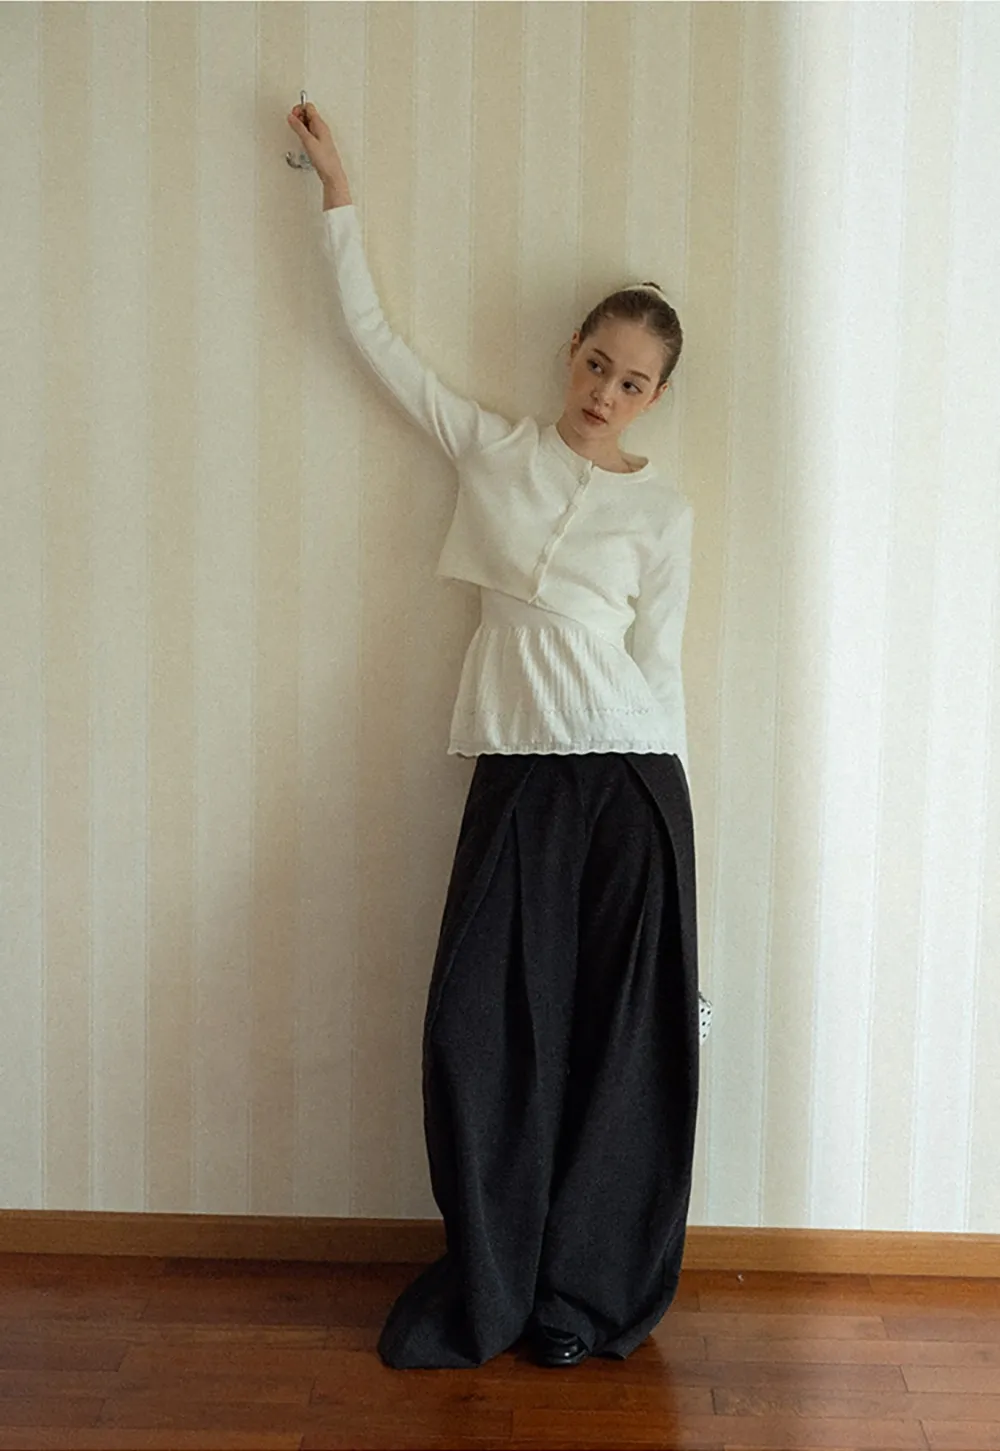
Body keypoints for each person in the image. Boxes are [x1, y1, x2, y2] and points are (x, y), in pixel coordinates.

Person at [287, 101, 702, 1371]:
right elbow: (373, 340)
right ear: (570, 351)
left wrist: (677, 839)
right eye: (597, 364)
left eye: (633, 383)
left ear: (654, 397)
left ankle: (582, 1297)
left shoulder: (665, 515)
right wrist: (336, 190)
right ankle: (498, 1274)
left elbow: (660, 664)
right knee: (481, 1029)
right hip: (519, 777)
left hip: (631, 781)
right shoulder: (493, 448)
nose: (606, 393)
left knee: (619, 1048)